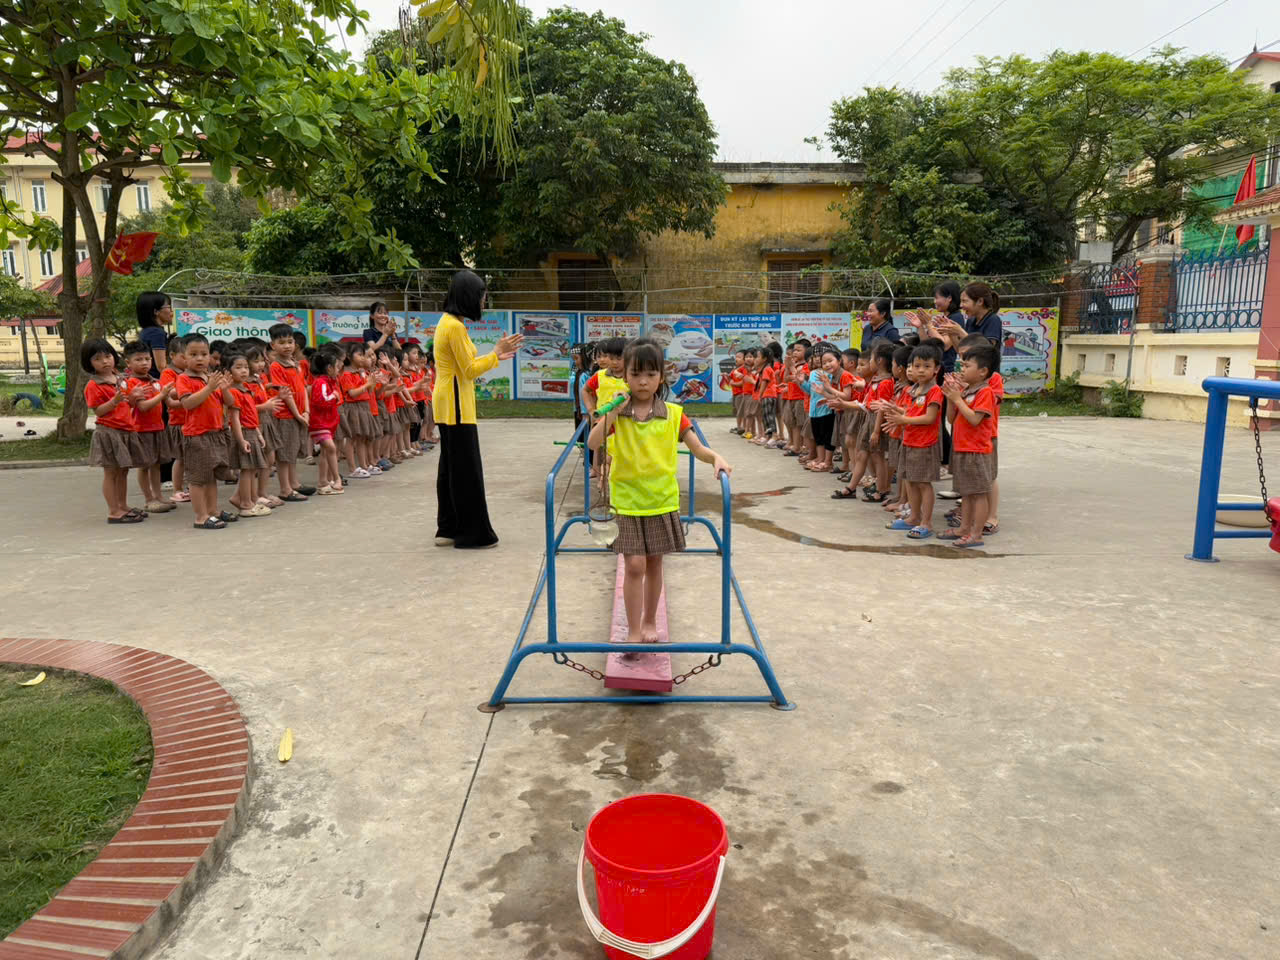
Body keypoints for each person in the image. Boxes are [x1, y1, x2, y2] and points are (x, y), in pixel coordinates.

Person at [587, 338, 730, 647]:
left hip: (660, 500)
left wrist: (715, 458)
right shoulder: (617, 413)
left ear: (661, 377)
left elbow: (697, 447)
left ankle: (649, 620)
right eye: (636, 374)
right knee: (634, 565)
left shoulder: (674, 414)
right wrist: (612, 412)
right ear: (625, 376)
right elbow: (593, 443)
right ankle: (633, 629)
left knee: (654, 563)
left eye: (650, 374)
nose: (643, 381)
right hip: (626, 500)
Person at [431, 269, 523, 549]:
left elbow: (463, 366)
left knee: (450, 468)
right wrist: (495, 353)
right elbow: (469, 370)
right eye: (482, 297)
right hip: (456, 405)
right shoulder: (455, 327)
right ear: (469, 297)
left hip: (448, 401)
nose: (483, 302)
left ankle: (448, 528)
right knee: (466, 471)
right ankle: (472, 534)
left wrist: (495, 356)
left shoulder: (448, 322)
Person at [939, 342, 1000, 548]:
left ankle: (976, 534)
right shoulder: (966, 391)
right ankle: (964, 528)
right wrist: (951, 398)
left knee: (978, 494)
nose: (962, 369)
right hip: (962, 448)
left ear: (983, 371)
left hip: (976, 450)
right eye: (961, 365)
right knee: (966, 492)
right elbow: (951, 419)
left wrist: (957, 399)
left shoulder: (985, 392)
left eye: (967, 366)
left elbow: (975, 419)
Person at [177, 335, 236, 529]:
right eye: (193, 354)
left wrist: (224, 389)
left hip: (215, 432)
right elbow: (187, 403)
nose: (200, 358)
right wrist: (210, 388)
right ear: (184, 357)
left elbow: (230, 402)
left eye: (204, 354)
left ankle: (213, 511)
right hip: (197, 435)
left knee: (211, 476)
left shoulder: (211, 377)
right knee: (198, 479)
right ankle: (201, 516)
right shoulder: (184, 379)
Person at [83, 338, 145, 523]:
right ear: (89, 363)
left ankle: (122, 505)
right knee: (111, 473)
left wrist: (133, 397)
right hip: (108, 432)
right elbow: (99, 411)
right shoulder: (94, 385)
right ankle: (113, 511)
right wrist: (114, 401)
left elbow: (128, 405)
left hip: (125, 430)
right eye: (97, 359)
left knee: (123, 471)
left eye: (108, 356)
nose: (105, 361)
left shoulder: (120, 379)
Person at [886, 345, 944, 538]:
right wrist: (894, 411)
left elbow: (929, 418)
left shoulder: (935, 391)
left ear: (936, 368)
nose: (920, 370)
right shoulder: (913, 389)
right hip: (909, 441)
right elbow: (910, 412)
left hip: (925, 444)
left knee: (923, 484)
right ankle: (914, 517)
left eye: (926, 366)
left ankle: (926, 522)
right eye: (917, 365)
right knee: (910, 481)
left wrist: (903, 419)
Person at [122, 340, 175, 513]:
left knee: (156, 464)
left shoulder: (155, 382)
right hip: (141, 430)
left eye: (147, 359)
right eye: (138, 359)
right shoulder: (132, 383)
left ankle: (158, 496)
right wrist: (162, 395)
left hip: (158, 428)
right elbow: (143, 407)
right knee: (144, 465)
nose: (144, 363)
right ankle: (149, 499)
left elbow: (170, 403)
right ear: (128, 363)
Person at [223, 352, 273, 517]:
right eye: (238, 367)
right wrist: (241, 439)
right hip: (243, 432)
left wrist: (258, 433)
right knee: (247, 469)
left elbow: (251, 414)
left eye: (245, 367)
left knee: (252, 469)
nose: (243, 370)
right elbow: (235, 419)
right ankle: (245, 504)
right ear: (228, 372)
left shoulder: (245, 389)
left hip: (251, 431)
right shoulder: (233, 392)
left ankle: (246, 499)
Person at [267, 322, 313, 501]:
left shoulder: (295, 364)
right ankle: (285, 489)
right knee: (284, 455)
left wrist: (306, 411)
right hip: (286, 416)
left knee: (292, 452)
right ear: (273, 345)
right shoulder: (276, 366)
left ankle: (294, 484)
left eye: (290, 342)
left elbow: (303, 388)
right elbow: (285, 394)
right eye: (281, 342)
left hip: (298, 414)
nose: (287, 346)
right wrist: (298, 415)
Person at [308, 346, 344, 495]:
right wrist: (334, 396)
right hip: (320, 423)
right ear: (329, 368)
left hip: (327, 422)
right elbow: (320, 401)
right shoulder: (321, 383)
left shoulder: (329, 381)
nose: (338, 371)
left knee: (325, 452)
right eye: (337, 367)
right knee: (331, 448)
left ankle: (323, 482)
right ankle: (336, 478)